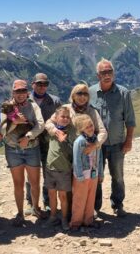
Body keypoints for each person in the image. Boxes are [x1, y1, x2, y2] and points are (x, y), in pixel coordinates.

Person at [45, 83, 107, 217]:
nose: (82, 97)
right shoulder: (65, 109)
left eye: (85, 94)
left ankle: (91, 210)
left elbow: (102, 131)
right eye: (79, 93)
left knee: (89, 181)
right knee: (71, 183)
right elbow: (49, 123)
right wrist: (56, 131)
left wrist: (95, 144)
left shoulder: (92, 111)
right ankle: (72, 212)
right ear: (73, 95)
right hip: (67, 153)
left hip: (87, 153)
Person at [89, 58, 136, 217]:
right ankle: (95, 207)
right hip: (96, 145)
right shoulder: (90, 92)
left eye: (110, 71)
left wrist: (129, 140)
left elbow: (130, 120)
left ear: (113, 73)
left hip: (117, 143)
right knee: (97, 177)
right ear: (98, 75)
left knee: (118, 176)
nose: (107, 75)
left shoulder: (123, 93)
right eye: (103, 72)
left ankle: (118, 204)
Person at [1, 79, 45, 227]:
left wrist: (28, 136)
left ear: (27, 92)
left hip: (31, 147)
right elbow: (2, 130)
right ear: (13, 92)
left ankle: (36, 208)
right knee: (18, 183)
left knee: (35, 182)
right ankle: (20, 213)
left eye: (23, 91)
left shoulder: (33, 106)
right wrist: (15, 122)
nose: (20, 94)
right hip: (13, 149)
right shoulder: (7, 107)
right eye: (17, 91)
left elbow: (41, 124)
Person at [25, 73, 61, 215]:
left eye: (45, 84)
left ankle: (47, 202)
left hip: (49, 143)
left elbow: (61, 119)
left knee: (48, 173)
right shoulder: (25, 100)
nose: (42, 87)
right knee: (31, 175)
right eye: (39, 84)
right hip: (31, 142)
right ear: (32, 84)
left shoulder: (55, 101)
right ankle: (31, 203)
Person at [70, 114, 103, 231]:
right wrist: (79, 175)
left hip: (94, 174)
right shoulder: (79, 142)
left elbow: (100, 157)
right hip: (82, 176)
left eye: (91, 125)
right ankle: (76, 222)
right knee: (79, 199)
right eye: (87, 126)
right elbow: (76, 159)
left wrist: (101, 173)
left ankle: (88, 220)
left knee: (90, 198)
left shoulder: (96, 140)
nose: (90, 128)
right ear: (81, 129)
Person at [45, 106, 75, 231]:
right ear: (56, 118)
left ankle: (63, 218)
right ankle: (52, 216)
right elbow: (47, 124)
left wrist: (66, 140)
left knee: (63, 196)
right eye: (62, 116)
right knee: (51, 194)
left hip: (64, 169)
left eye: (67, 117)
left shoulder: (71, 132)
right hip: (50, 168)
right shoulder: (52, 131)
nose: (65, 119)